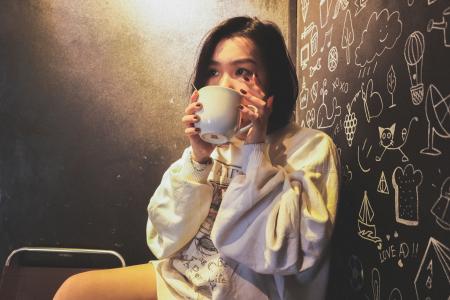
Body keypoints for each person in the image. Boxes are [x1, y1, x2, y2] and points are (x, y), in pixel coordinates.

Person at [54, 16, 339, 300]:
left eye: (241, 71)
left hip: (243, 293)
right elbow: (165, 237)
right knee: (75, 291)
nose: (224, 84)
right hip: (180, 280)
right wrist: (199, 158)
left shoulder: (310, 147)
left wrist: (255, 147)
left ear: (271, 81)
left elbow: (285, 251)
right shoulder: (216, 147)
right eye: (213, 72)